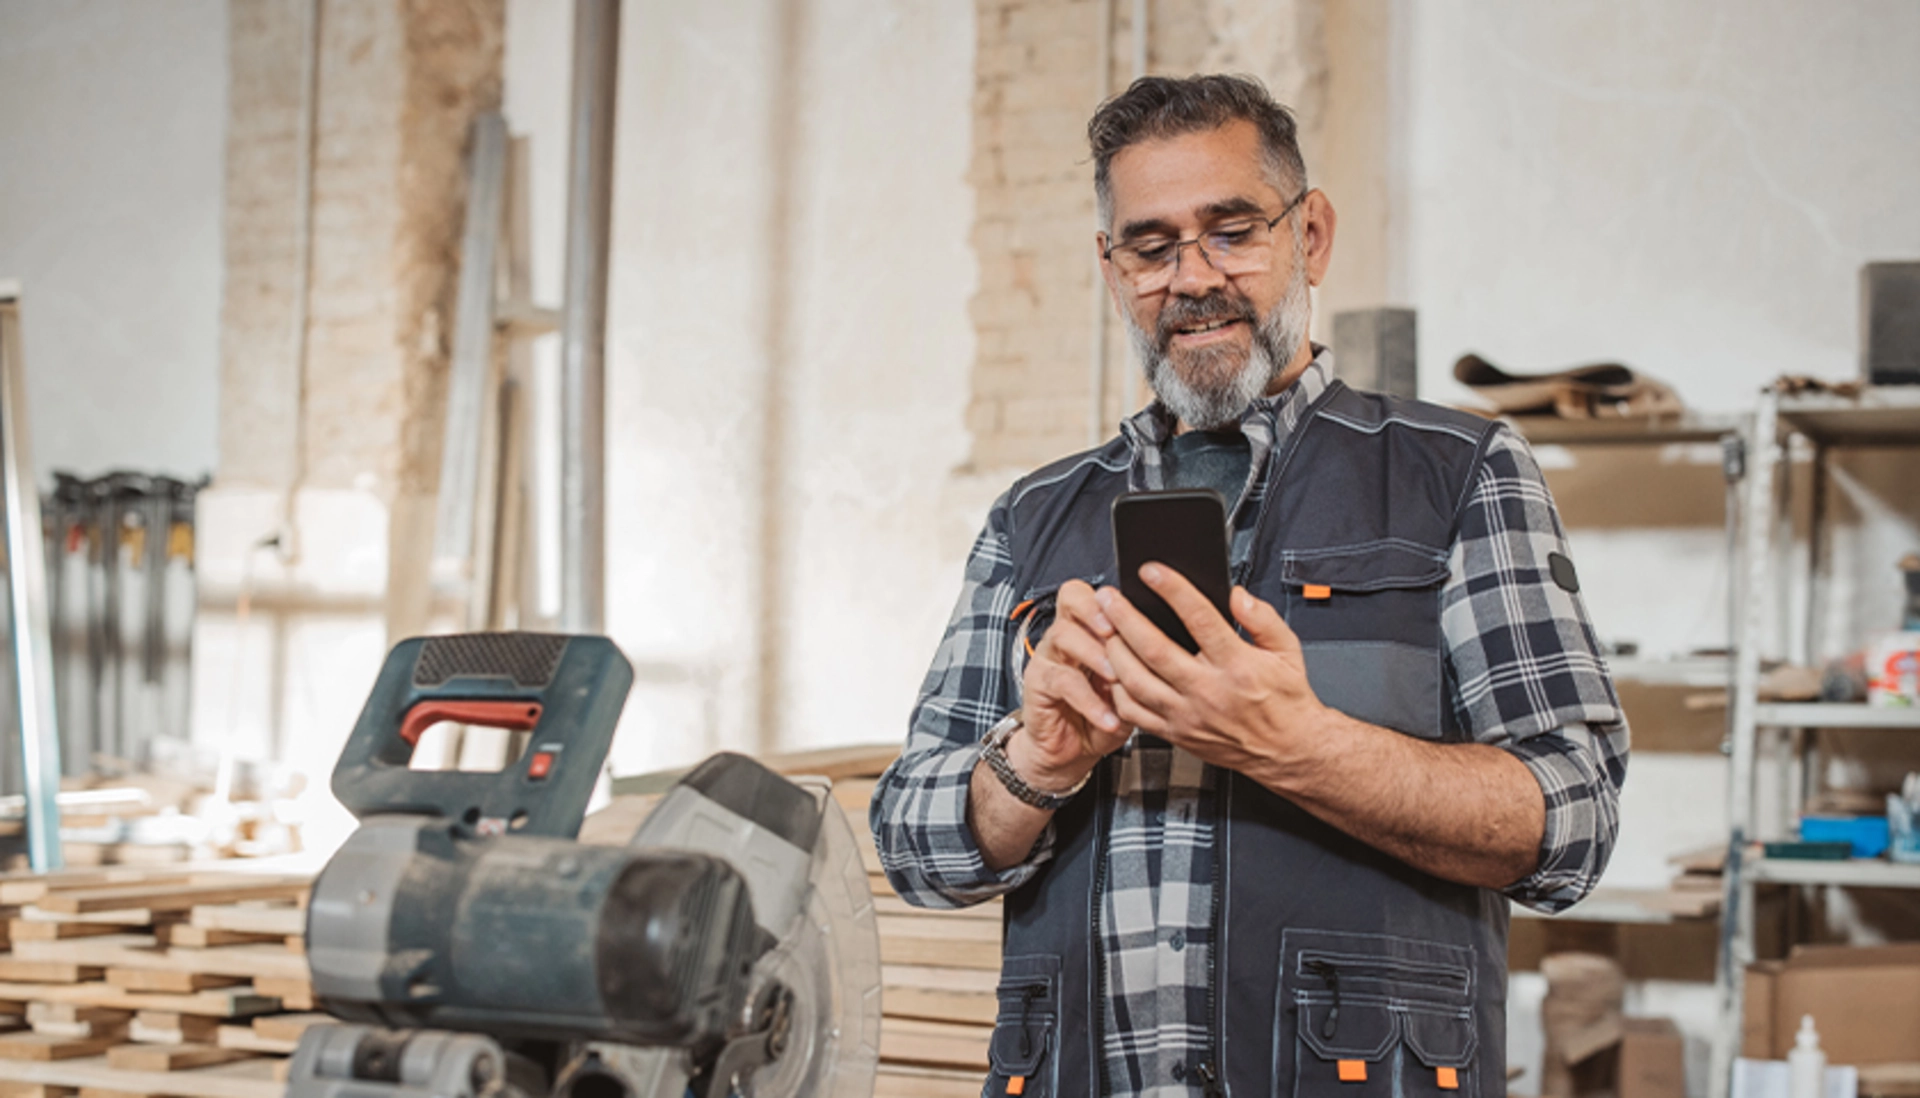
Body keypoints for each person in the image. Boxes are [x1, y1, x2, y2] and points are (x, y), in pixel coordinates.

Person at [870, 74, 1626, 1098]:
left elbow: (1571, 820)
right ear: (1110, 266)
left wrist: (1295, 744)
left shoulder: (1459, 474)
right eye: (1152, 245)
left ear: (1309, 236)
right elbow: (914, 842)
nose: (1192, 277)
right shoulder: (1033, 515)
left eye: (1232, 231)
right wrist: (1034, 764)